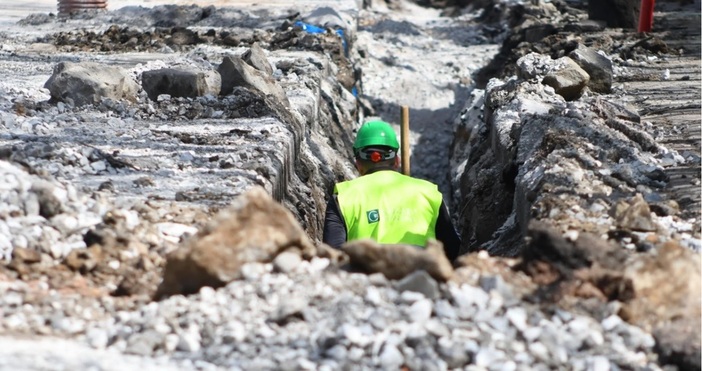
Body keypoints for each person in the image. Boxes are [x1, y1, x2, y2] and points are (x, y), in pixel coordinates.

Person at [323, 120, 461, 261]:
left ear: (358, 164)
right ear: (397, 161)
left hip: (366, 278)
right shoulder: (429, 193)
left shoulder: (344, 196)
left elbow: (333, 256)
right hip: (421, 276)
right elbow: (453, 250)